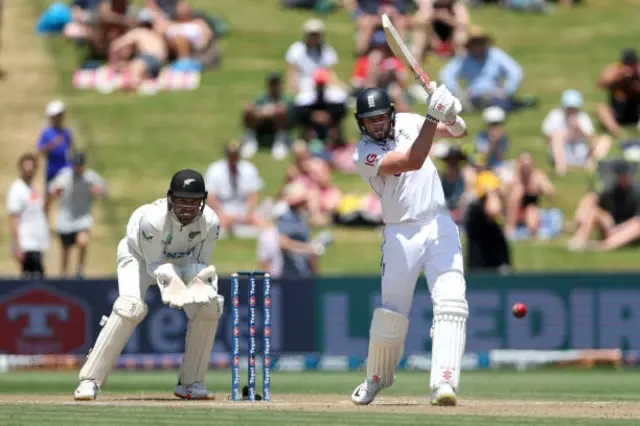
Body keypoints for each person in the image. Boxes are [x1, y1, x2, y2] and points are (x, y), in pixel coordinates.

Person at [350, 85, 469, 406]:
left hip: (439, 225)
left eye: (380, 118)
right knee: (392, 312)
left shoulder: (408, 120)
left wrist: (451, 113)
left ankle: (445, 382)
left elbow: (459, 132)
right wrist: (433, 114)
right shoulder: (363, 154)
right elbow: (413, 160)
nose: (376, 125)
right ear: (361, 123)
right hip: (400, 234)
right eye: (369, 120)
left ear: (390, 113)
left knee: (452, 302)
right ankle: (376, 378)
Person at [73, 169, 223, 401]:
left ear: (202, 201)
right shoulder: (152, 220)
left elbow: (200, 262)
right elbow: (155, 265)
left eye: (193, 202)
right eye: (181, 201)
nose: (186, 208)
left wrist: (198, 281)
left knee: (210, 307)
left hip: (181, 260)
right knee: (130, 307)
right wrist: (172, 282)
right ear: (170, 198)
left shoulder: (210, 222)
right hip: (139, 258)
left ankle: (191, 383)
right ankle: (89, 381)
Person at [48, 152, 108, 278]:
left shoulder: (90, 177)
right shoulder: (65, 177)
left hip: (83, 218)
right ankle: (63, 275)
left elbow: (105, 189)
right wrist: (55, 192)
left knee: (83, 241)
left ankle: (79, 270)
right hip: (65, 219)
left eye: (80, 165)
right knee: (66, 250)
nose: (78, 168)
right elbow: (52, 189)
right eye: (75, 165)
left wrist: (99, 191)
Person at [6, 154, 49, 279]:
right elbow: (14, 218)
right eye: (26, 167)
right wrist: (17, 245)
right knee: (34, 281)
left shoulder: (31, 190)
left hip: (37, 244)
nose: (29, 170)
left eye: (32, 167)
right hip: (26, 244)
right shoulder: (17, 189)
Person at [108, 9, 169, 90]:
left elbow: (115, 45)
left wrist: (113, 65)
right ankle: (145, 79)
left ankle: (134, 84)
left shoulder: (138, 32)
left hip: (149, 57)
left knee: (135, 68)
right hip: (160, 63)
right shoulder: (155, 33)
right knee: (133, 67)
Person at [464, 171, 511, 272]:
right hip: (480, 269)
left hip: (496, 266)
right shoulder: (475, 208)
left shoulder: (495, 207)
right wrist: (491, 193)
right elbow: (493, 210)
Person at [37, 100, 74, 216]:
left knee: (67, 195)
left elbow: (71, 149)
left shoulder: (67, 132)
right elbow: (41, 150)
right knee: (49, 196)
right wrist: (52, 144)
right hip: (52, 168)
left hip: (65, 168)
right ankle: (44, 218)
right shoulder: (46, 133)